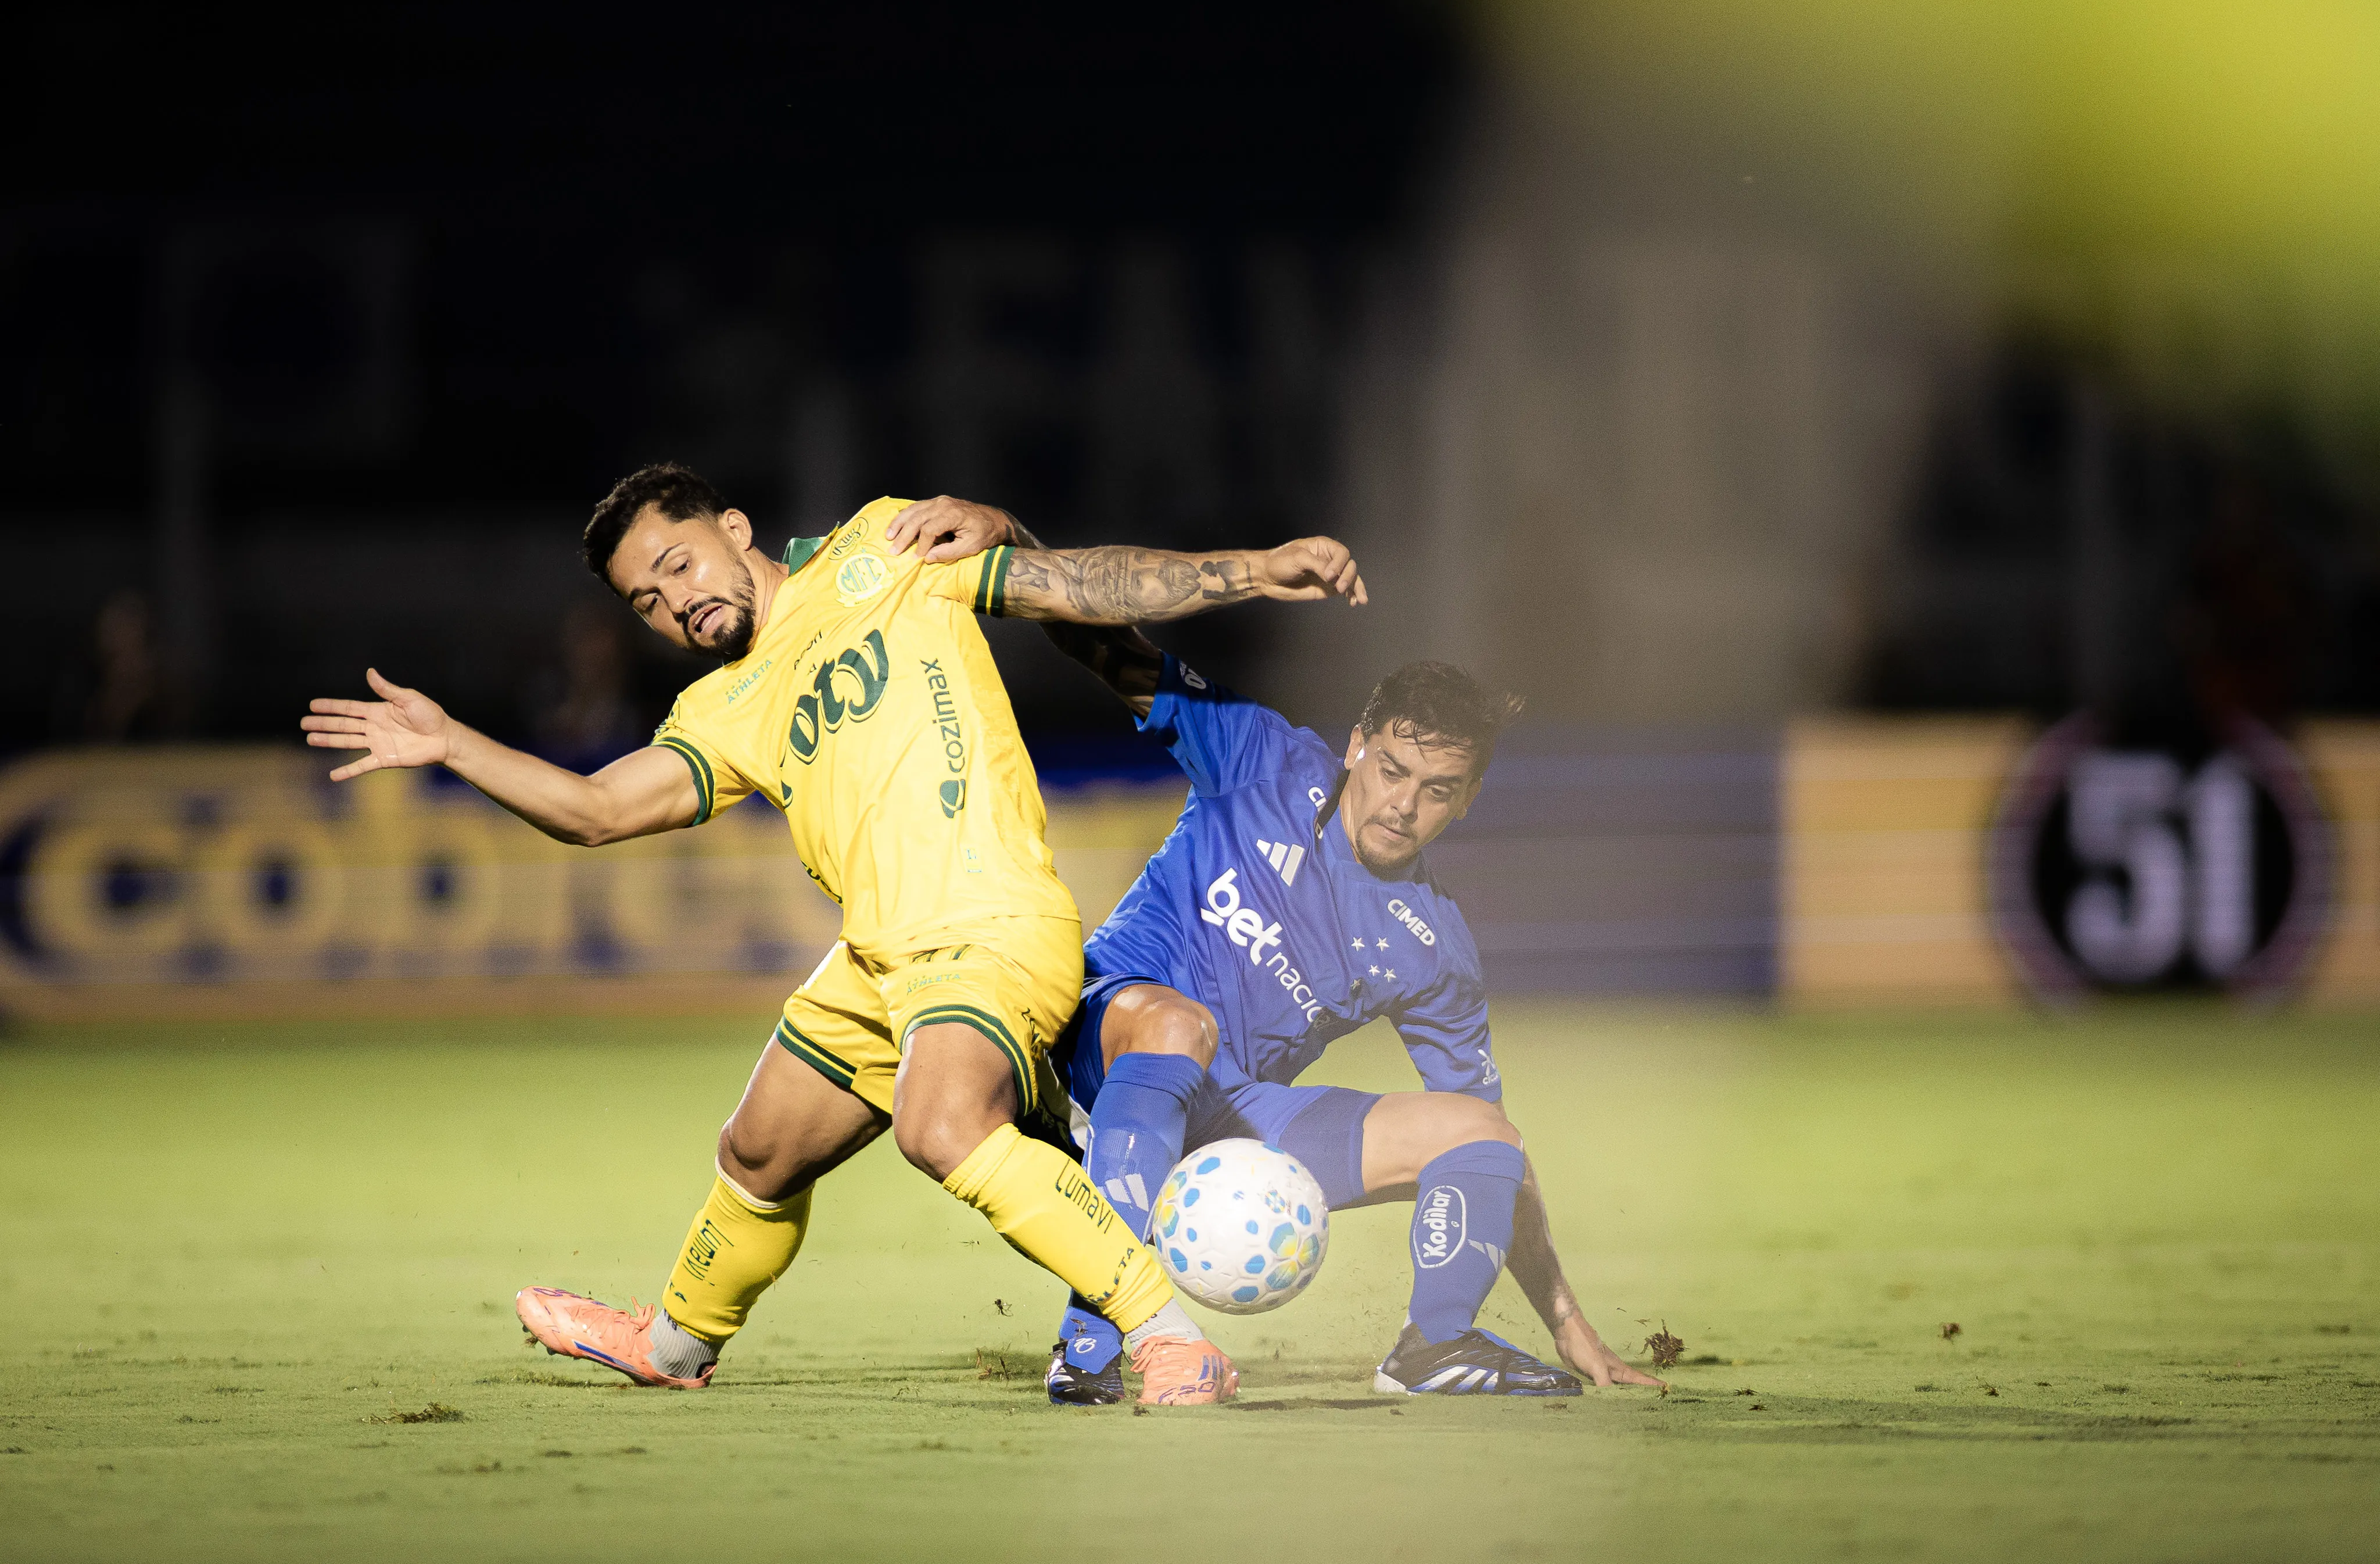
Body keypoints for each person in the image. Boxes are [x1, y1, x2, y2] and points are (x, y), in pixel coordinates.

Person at [298, 465, 1365, 1406]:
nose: (675, 601)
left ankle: (1168, 1337)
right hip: (880, 957)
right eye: (648, 599)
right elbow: (598, 810)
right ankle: (670, 1343)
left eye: (678, 562)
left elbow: (1074, 586)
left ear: (734, 524)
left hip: (989, 921)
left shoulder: (884, 550)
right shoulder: (722, 707)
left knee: (940, 1125)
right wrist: (451, 744)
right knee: (757, 1150)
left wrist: (1255, 569)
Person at [879, 499, 1666, 1402]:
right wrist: (1014, 537)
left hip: (1223, 1108)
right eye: (1393, 771)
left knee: (1487, 1135)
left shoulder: (1434, 946)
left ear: (1469, 798)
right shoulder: (1264, 760)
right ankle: (1089, 1344)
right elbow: (1103, 641)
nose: (1404, 805)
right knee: (1179, 1024)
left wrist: (1567, 1320)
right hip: (1096, 1039)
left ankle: (1435, 1346)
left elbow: (1498, 1170)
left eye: (1438, 789)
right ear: (1358, 745)